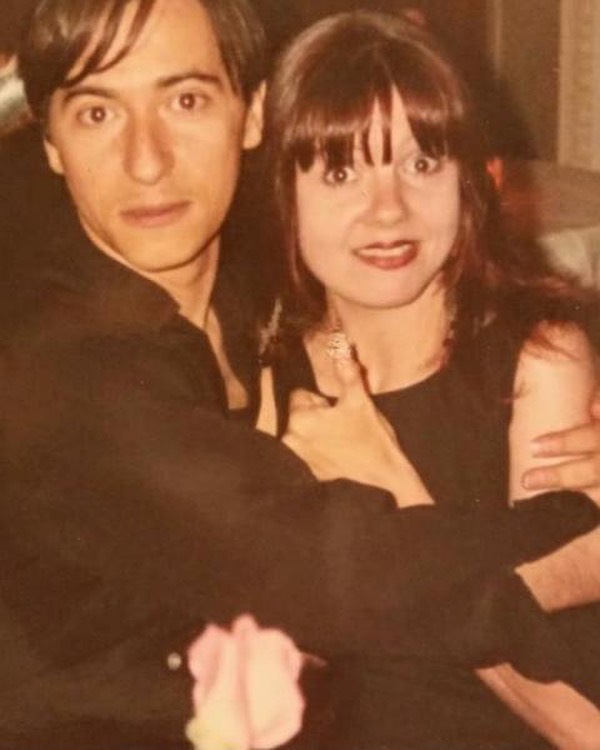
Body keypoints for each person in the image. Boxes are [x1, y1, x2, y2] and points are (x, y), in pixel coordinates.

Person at [2, 1, 600, 748]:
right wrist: (588, 546)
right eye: (98, 113)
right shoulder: (69, 376)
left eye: (185, 100)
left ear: (251, 116)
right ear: (51, 141)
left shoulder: (257, 300)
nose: (146, 161)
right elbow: (339, 579)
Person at [260, 10, 600, 749]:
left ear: (471, 181)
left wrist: (391, 488)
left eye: (421, 164)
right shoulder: (271, 371)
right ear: (285, 194)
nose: (388, 210)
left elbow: (573, 712)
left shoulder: (537, 360)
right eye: (341, 172)